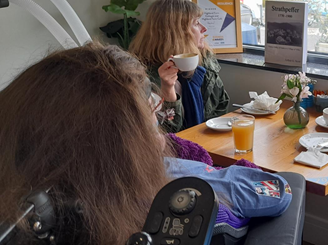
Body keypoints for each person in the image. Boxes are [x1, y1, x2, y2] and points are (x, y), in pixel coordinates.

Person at [0, 42, 289, 245]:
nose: (155, 110)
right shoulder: (177, 199)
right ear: (120, 139)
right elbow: (278, 192)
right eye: (147, 109)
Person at [129, 0, 230, 133]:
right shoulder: (142, 77)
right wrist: (168, 90)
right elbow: (165, 133)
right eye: (196, 23)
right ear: (177, 33)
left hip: (206, 143)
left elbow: (221, 105)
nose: (204, 28)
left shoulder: (204, 60)